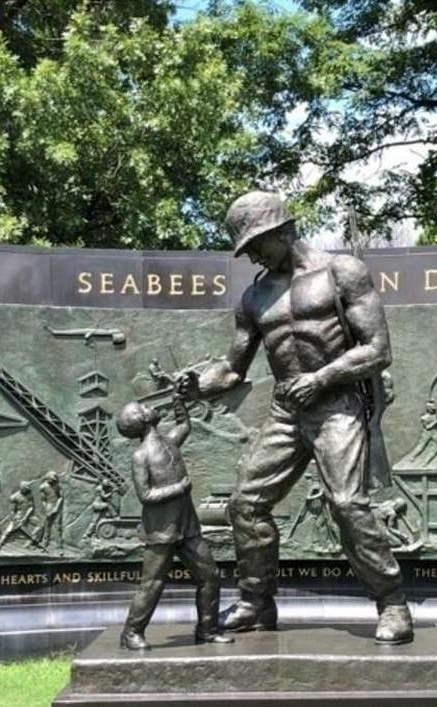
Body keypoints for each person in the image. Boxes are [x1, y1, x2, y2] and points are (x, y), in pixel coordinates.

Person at [190, 190, 411, 644]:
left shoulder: (342, 271)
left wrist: (324, 377)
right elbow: (233, 369)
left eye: (254, 243)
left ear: (279, 231)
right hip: (287, 411)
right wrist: (199, 385)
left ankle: (391, 603)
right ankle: (256, 603)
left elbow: (377, 350)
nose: (250, 254)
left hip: (337, 406)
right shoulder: (255, 296)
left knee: (347, 504)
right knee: (245, 505)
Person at [116, 389, 232, 650]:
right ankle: (131, 632)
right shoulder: (140, 456)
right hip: (161, 531)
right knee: (152, 583)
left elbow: (184, 425)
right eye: (142, 408)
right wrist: (179, 488)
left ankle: (207, 629)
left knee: (210, 576)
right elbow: (145, 494)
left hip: (186, 525)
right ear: (141, 420)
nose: (149, 407)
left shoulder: (169, 441)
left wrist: (179, 400)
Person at [38, 471, 64, 548]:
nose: (52, 481)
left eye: (54, 479)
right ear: (47, 478)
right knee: (47, 525)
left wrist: (56, 507)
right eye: (51, 479)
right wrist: (46, 508)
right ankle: (45, 543)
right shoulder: (43, 487)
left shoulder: (58, 486)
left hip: (57, 506)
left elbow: (60, 497)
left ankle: (59, 544)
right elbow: (43, 500)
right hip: (49, 506)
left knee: (58, 526)